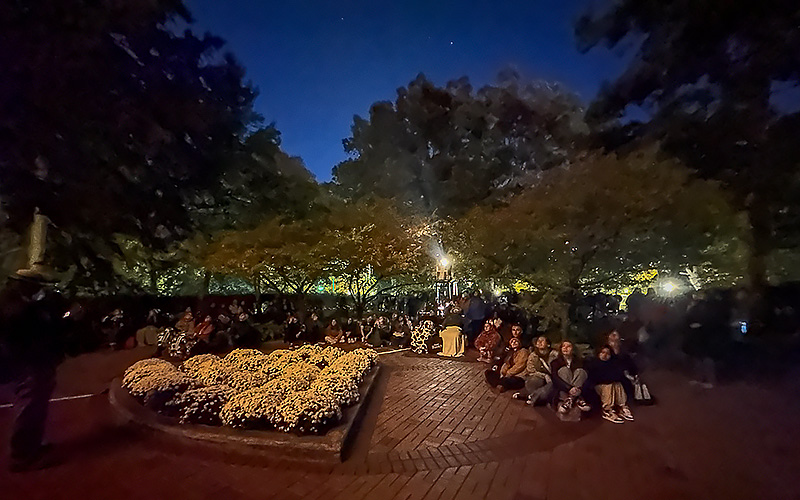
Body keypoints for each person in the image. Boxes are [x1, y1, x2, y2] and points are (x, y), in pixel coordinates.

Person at [0, 273, 70, 472]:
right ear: (25, 285)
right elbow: (23, 332)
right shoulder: (13, 305)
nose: (41, 289)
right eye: (38, 285)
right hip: (26, 363)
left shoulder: (22, 304)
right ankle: (22, 455)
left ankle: (32, 446)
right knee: (29, 404)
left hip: (35, 361)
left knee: (36, 404)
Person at [588, 345, 635, 423]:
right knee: (609, 385)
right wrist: (608, 378)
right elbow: (595, 378)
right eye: (603, 352)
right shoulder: (593, 363)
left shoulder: (612, 364)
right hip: (598, 387)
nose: (605, 355)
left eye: (607, 353)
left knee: (617, 384)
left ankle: (622, 407)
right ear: (599, 353)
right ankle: (607, 410)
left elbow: (618, 376)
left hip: (611, 385)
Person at [514, 336, 558, 405]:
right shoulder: (533, 355)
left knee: (551, 386)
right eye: (538, 341)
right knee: (533, 381)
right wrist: (544, 375)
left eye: (542, 341)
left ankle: (530, 397)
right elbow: (531, 370)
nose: (540, 342)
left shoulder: (554, 355)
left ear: (548, 344)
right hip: (539, 377)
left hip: (552, 378)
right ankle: (533, 396)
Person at [550, 341, 591, 414]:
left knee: (581, 371)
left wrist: (578, 389)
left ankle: (570, 399)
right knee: (564, 370)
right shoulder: (555, 362)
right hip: (562, 389)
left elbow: (585, 377)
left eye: (568, 346)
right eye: (563, 346)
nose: (565, 348)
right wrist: (569, 388)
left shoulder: (580, 362)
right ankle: (576, 399)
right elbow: (555, 378)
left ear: (573, 349)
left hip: (578, 389)